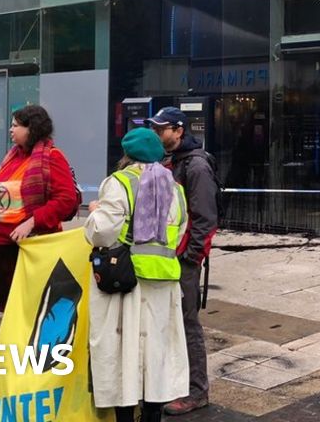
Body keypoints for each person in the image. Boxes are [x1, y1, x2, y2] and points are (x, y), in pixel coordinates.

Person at [84, 127, 189, 422]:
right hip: (164, 282)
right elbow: (179, 232)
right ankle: (154, 415)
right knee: (156, 354)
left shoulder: (120, 183)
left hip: (126, 282)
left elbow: (102, 232)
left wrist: (94, 211)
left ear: (127, 155)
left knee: (122, 354)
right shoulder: (175, 188)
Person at [147, 107, 218, 416]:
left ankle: (197, 391)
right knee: (169, 323)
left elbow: (205, 218)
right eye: (154, 127)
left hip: (183, 260)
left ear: (178, 130)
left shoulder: (196, 166)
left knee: (188, 324)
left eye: (161, 128)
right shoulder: (170, 161)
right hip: (168, 257)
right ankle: (176, 382)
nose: (156, 133)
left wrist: (191, 259)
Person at [0, 105, 77, 312]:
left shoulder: (52, 157)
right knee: (10, 313)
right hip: (3, 248)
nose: (11, 130)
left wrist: (32, 222)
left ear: (31, 128)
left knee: (27, 311)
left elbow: (66, 199)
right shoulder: (14, 156)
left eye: (16, 125)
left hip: (29, 248)